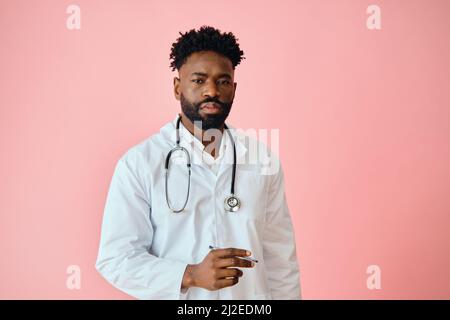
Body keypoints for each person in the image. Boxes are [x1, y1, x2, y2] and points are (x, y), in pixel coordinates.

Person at [95, 25, 301, 300]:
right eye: (199, 80)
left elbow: (280, 261)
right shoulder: (139, 164)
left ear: (234, 89)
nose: (211, 91)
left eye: (223, 81)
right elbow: (116, 259)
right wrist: (189, 274)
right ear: (178, 87)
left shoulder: (262, 161)